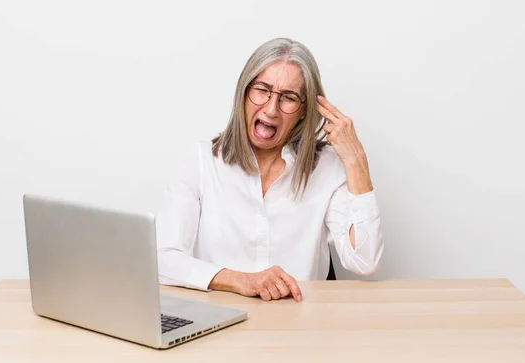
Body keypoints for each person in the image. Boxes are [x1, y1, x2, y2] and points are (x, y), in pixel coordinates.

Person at [156, 37, 384, 302]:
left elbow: (365, 261)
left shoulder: (328, 167)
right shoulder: (201, 160)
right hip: (217, 326)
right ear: (243, 93)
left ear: (304, 110)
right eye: (262, 90)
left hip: (301, 328)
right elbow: (162, 259)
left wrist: (356, 161)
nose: (272, 108)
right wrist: (240, 280)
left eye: (288, 98)